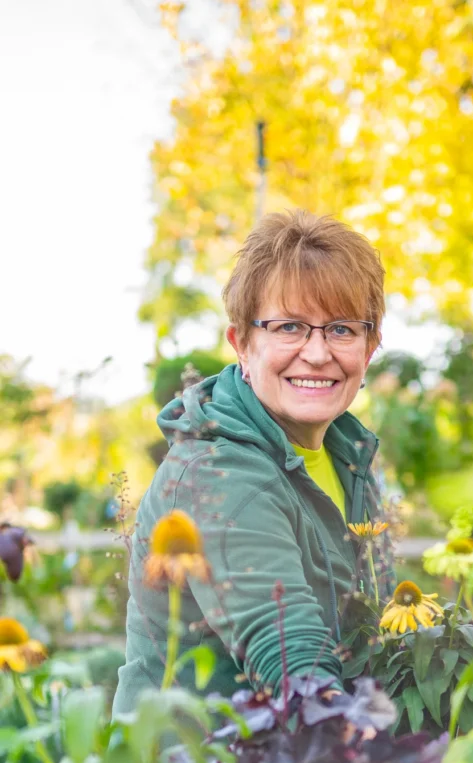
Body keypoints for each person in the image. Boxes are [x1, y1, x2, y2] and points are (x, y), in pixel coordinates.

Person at [113, 210, 393, 713]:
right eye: (289, 327)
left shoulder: (350, 458)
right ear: (242, 344)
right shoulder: (215, 473)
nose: (316, 352)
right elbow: (290, 657)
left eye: (342, 330)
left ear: (369, 349)